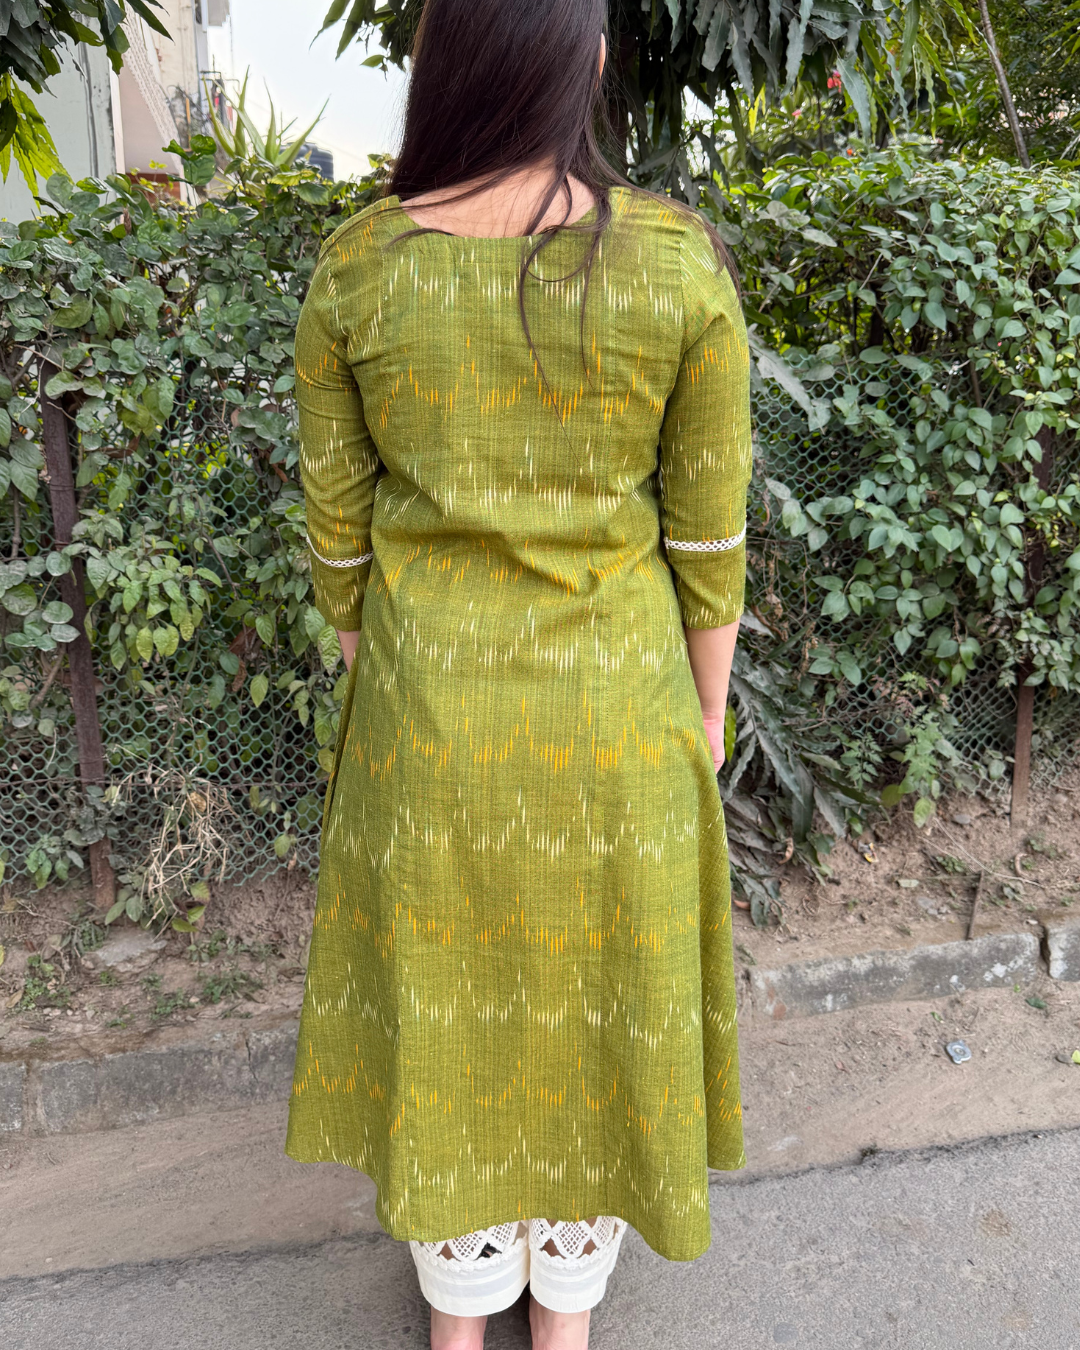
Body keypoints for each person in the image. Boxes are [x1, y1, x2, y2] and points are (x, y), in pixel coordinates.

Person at [285, 1, 751, 1346]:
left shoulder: (359, 272)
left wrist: (391, 685)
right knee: (598, 1016)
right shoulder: (672, 268)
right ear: (587, 64)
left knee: (449, 1016)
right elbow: (706, 541)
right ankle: (564, 1323)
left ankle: (459, 1317)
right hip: (620, 723)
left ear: (444, 65)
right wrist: (704, 710)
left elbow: (338, 541)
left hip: (426, 726)